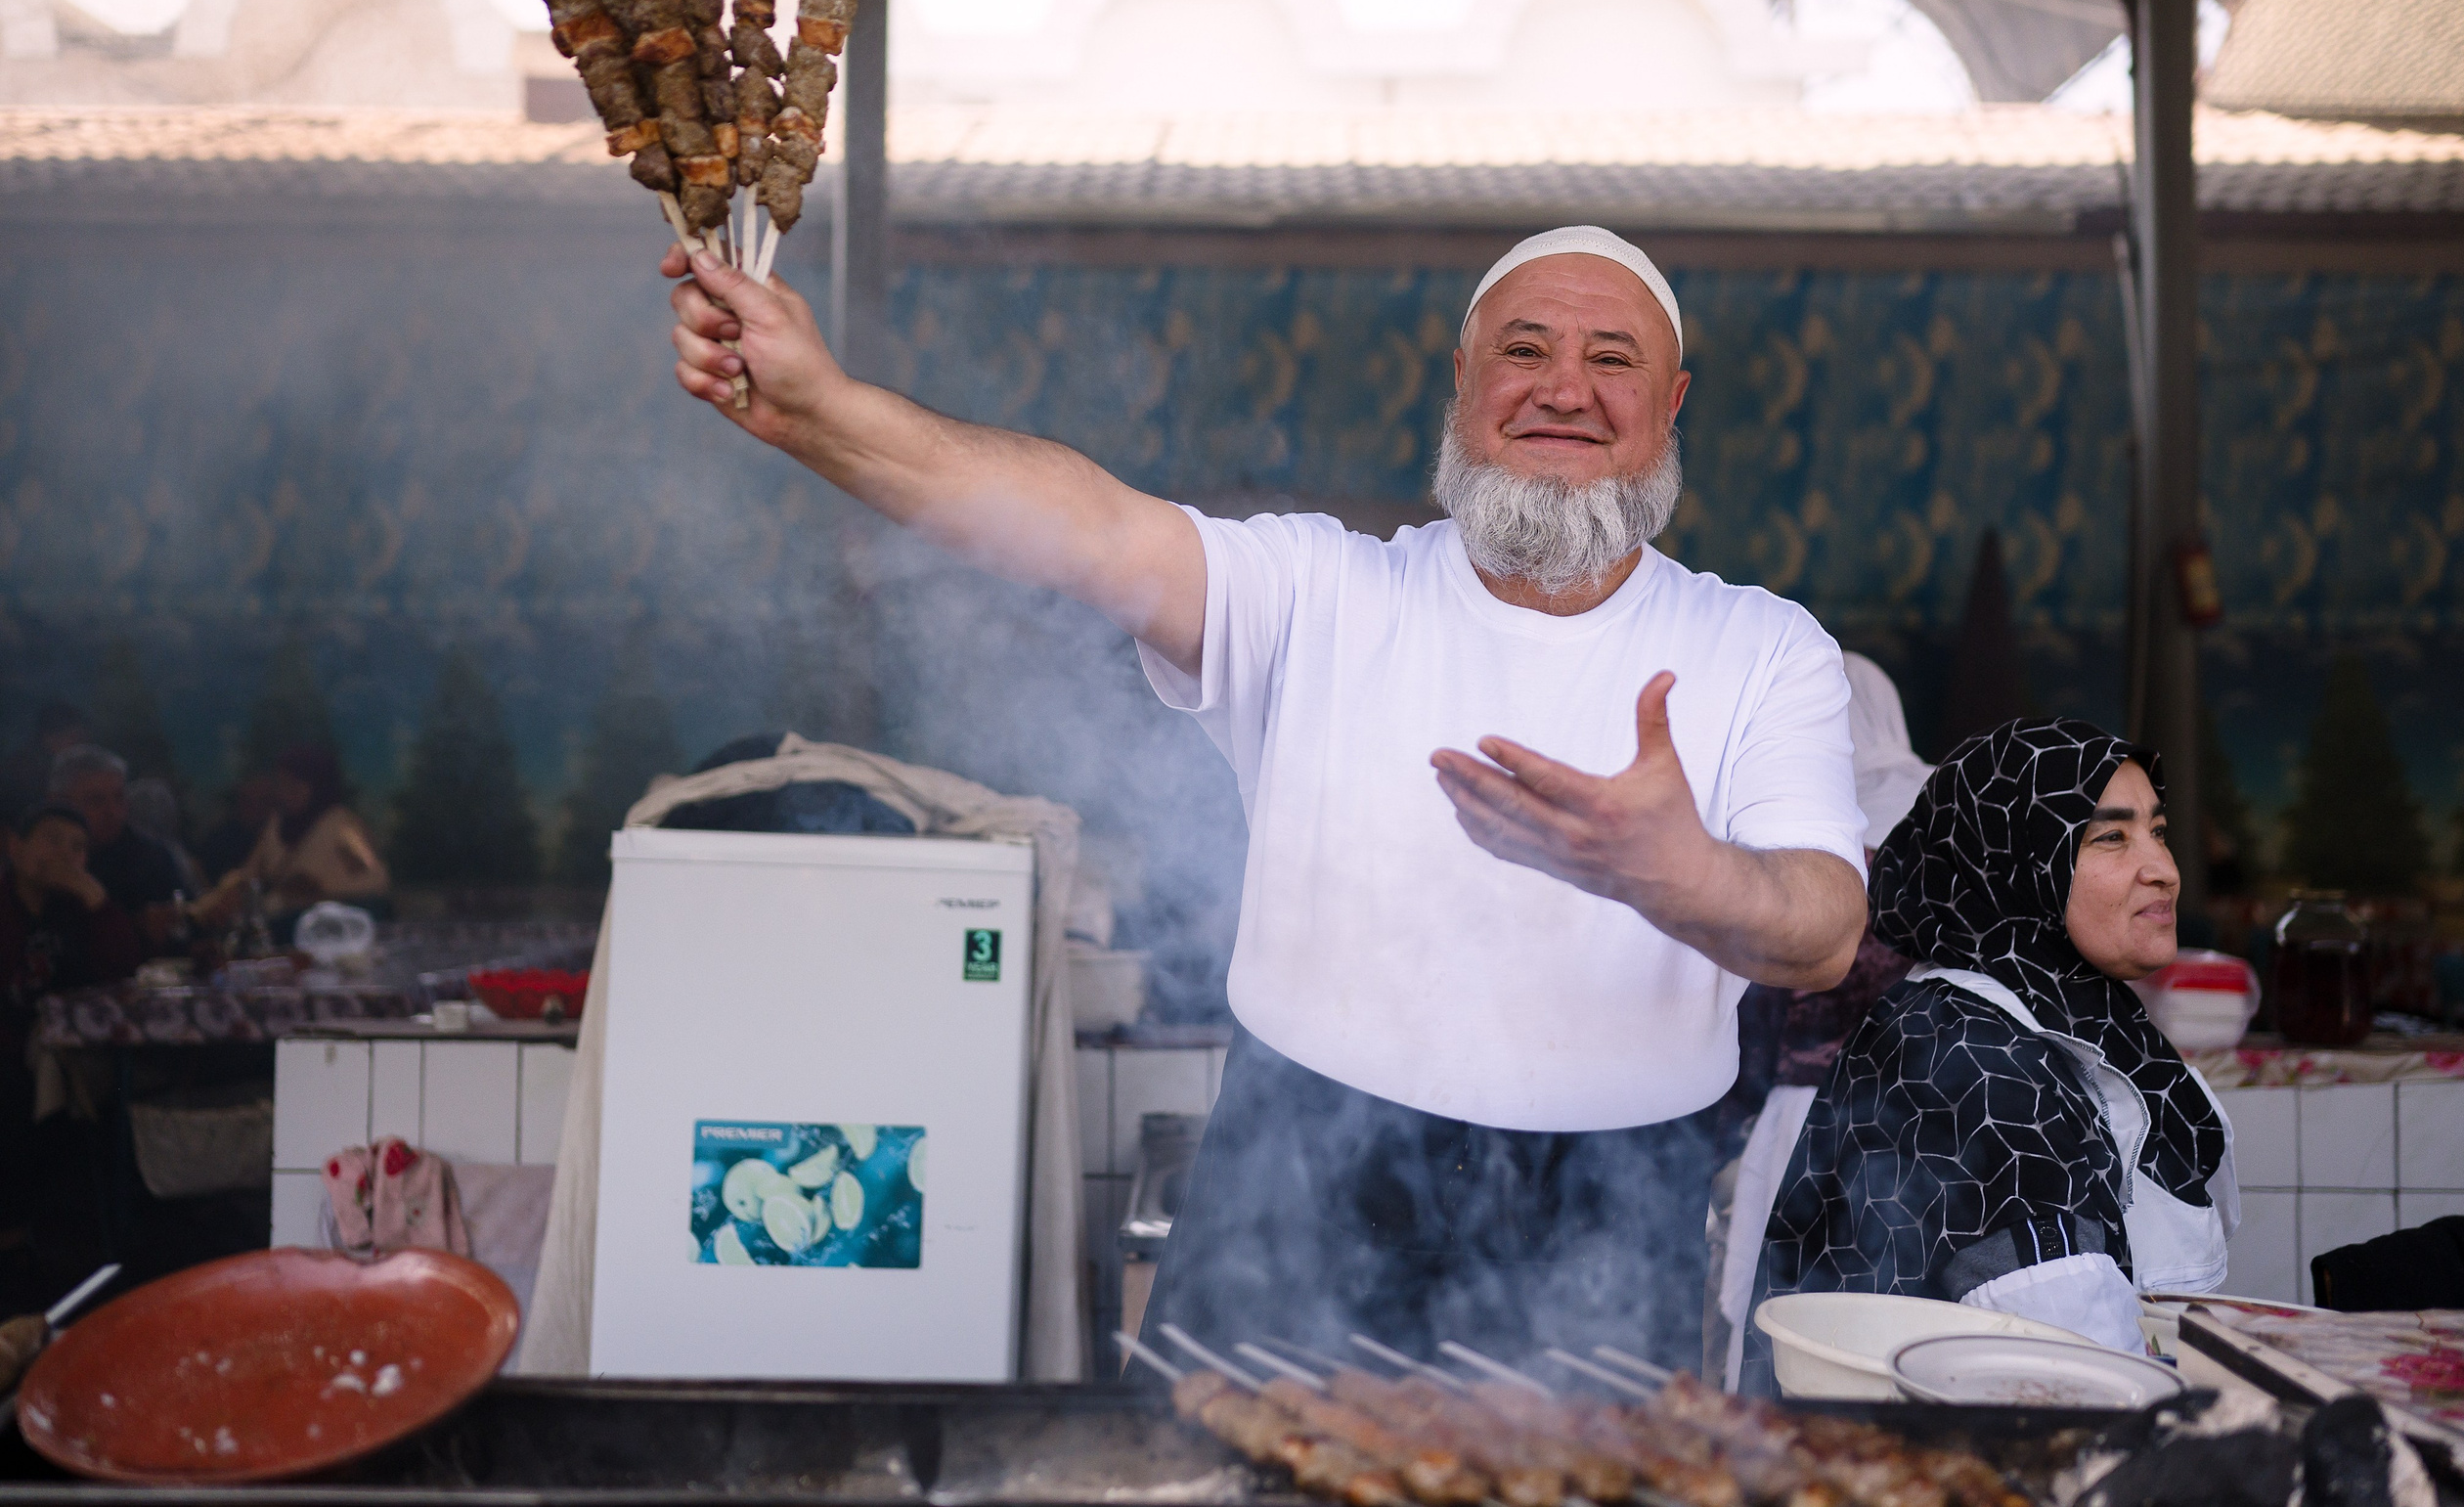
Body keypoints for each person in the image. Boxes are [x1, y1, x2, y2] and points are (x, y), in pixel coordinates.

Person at [662, 223, 1868, 1365]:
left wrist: (1675, 873)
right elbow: (1081, 527)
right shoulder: (1320, 592)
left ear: (1670, 404)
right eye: (1524, 349)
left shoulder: (1765, 651)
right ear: (1462, 382)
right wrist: (820, 410)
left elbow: (1822, 929)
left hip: (1611, 1217)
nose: (1564, 387)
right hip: (1296, 1189)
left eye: (1612, 359)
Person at [1751, 718, 2234, 1369]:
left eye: (2158, 832)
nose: (2164, 871)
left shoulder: (2036, 1022)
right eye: (2112, 836)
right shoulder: (1976, 1062)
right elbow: (2082, 1377)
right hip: (1925, 1461)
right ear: (2019, 858)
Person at [1704, 651, 1928, 1386]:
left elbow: (1756, 1007)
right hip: (1937, 1117)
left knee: (1796, 1334)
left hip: (1806, 1121)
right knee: (1906, 1329)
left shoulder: (1800, 832)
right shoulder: (1947, 817)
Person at [2, 804, 146, 1253]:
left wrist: (92, 895)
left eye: (78, 848)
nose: (64, 855)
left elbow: (124, 968)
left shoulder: (76, 909)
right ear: (15, 846)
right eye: (51, 840)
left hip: (60, 1052)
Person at [198, 746, 389, 924]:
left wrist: (316, 895)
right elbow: (250, 875)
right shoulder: (277, 825)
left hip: (331, 924)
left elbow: (374, 879)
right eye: (283, 784)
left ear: (317, 785)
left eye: (295, 785)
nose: (287, 793)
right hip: (281, 923)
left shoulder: (340, 825)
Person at [48, 744, 185, 945]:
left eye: (119, 798)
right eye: (96, 801)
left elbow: (184, 921)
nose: (112, 812)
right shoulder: (42, 860)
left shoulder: (149, 855)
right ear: (58, 802)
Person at [0, 702, 89, 822]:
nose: (80, 747)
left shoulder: (56, 767)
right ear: (50, 737)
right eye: (74, 738)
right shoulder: (24, 771)